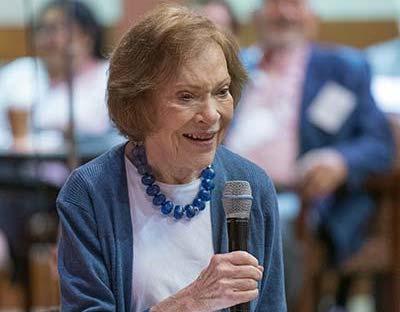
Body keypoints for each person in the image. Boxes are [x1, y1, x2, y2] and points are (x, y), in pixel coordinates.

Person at [57, 4, 286, 311]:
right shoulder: (90, 192)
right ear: (139, 104)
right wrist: (191, 302)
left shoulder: (251, 186)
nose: (211, 114)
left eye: (221, 91)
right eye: (186, 96)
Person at [224, 0, 394, 309]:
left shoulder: (343, 68)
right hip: (223, 188)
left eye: (295, 4)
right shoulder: (236, 67)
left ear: (312, 17)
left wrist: (339, 160)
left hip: (297, 196)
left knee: (272, 217)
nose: (285, 13)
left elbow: (378, 143)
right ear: (256, 17)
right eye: (275, 4)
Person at [0, 0, 120, 281]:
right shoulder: (22, 75)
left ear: (86, 36)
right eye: (43, 30)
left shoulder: (106, 80)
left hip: (70, 185)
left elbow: (116, 138)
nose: (48, 40)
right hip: (17, 178)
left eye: (57, 30)